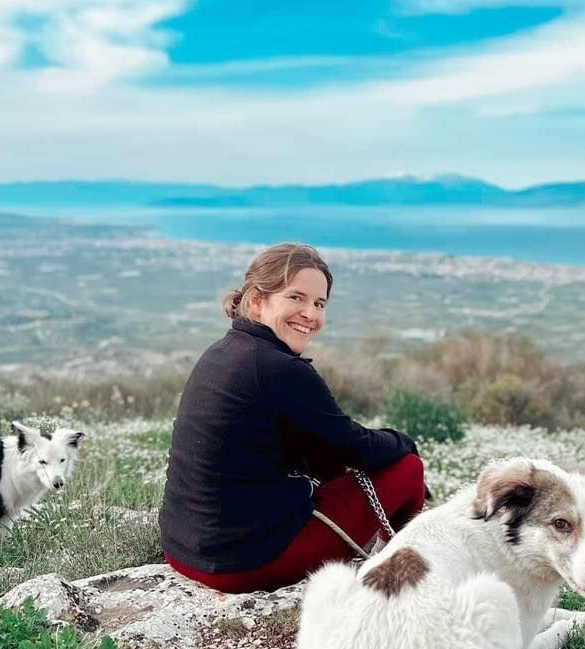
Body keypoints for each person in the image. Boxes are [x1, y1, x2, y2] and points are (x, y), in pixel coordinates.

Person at [158, 243, 426, 592]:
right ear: (256, 301)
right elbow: (355, 446)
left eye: (319, 303)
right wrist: (403, 441)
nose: (310, 314)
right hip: (242, 564)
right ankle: (410, 575)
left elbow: (320, 450)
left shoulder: (223, 352)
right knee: (407, 469)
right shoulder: (279, 368)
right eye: (295, 298)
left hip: (183, 551)